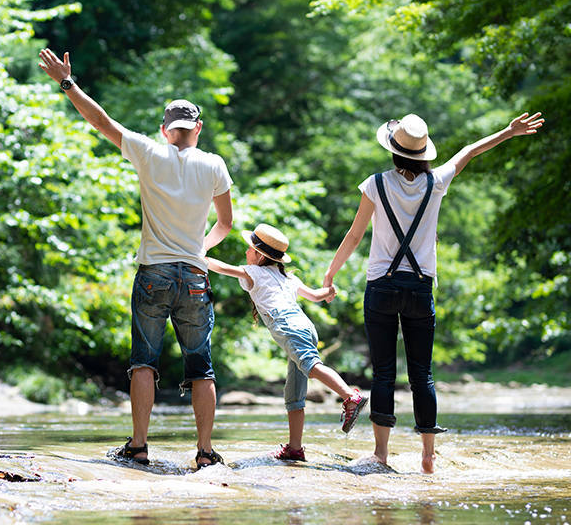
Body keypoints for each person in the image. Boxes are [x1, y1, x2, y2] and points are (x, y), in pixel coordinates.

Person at [38, 49, 234, 470]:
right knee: (201, 366)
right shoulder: (215, 164)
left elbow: (100, 122)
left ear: (165, 130)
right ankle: (204, 452)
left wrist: (67, 82)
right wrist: (200, 249)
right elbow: (226, 224)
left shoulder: (148, 152)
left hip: (153, 274)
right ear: (197, 129)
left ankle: (140, 446)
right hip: (195, 277)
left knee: (144, 360)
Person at [322, 112, 544, 473]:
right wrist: (508, 131)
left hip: (381, 285)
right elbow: (469, 151)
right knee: (422, 374)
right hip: (420, 288)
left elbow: (355, 235)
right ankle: (428, 455)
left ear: (393, 151)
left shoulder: (375, 184)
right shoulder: (435, 182)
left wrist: (330, 274)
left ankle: (381, 454)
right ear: (425, 154)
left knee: (383, 373)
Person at [206, 224, 368, 462]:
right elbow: (315, 295)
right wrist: (329, 291)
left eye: (249, 250)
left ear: (260, 255)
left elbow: (222, 268)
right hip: (305, 325)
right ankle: (295, 448)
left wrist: (197, 256)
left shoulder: (255, 272)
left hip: (288, 327)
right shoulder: (288, 276)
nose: (246, 254)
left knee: (311, 365)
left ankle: (349, 396)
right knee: (294, 394)